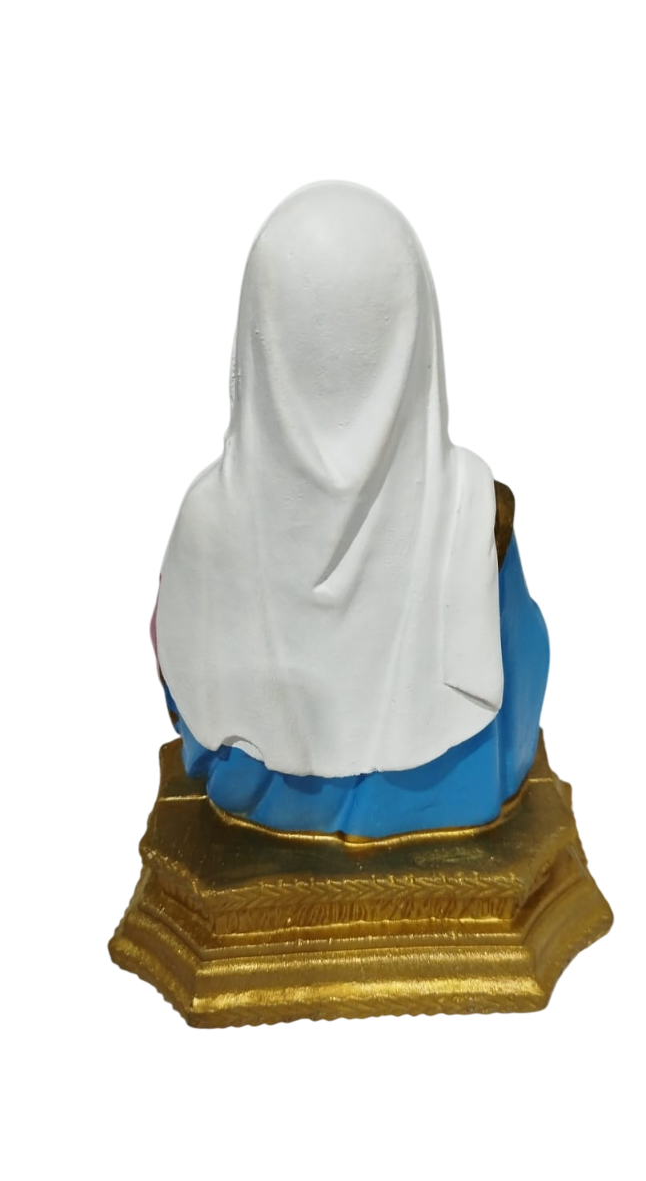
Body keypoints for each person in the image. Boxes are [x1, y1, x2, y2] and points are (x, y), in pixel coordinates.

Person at [153, 182, 549, 839]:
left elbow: (183, 695)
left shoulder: (207, 520)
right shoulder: (473, 509)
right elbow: (518, 701)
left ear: (259, 334)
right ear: (415, 332)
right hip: (455, 805)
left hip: (257, 812)